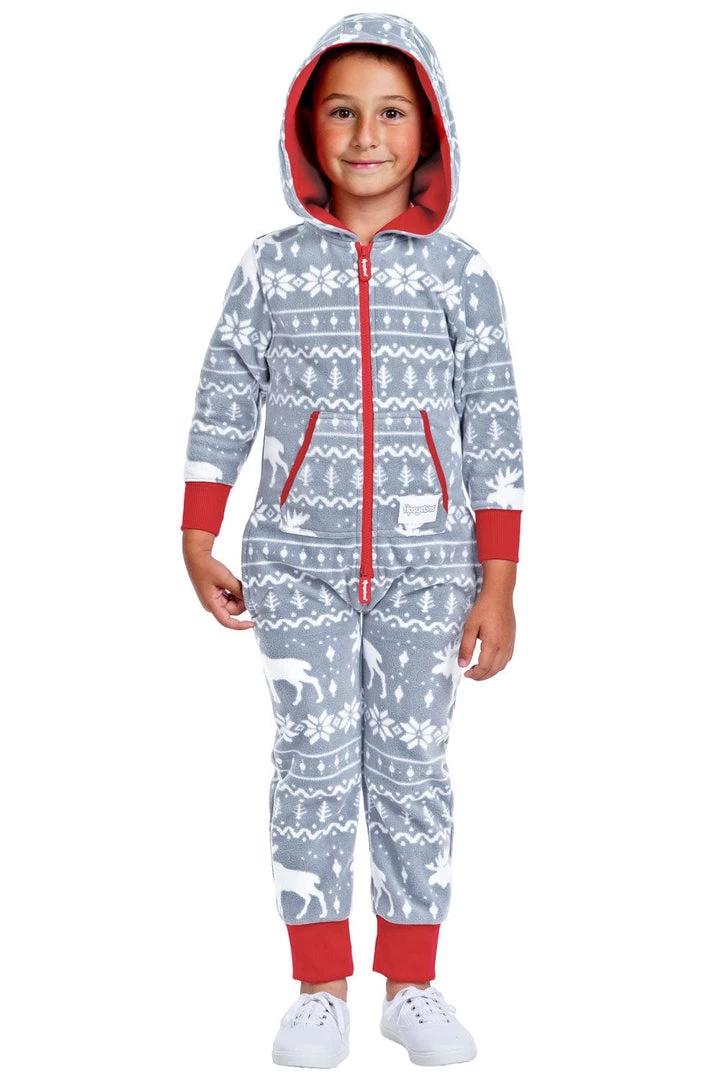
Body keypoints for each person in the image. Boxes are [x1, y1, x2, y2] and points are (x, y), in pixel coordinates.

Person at [180, 11, 524, 1069]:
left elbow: (494, 424)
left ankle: (410, 983)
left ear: (430, 131)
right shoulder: (270, 266)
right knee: (313, 766)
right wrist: (198, 532)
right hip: (295, 562)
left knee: (413, 768)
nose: (367, 135)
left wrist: (500, 581)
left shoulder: (459, 273)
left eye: (392, 112)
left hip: (433, 567)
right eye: (342, 111)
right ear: (306, 129)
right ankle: (319, 986)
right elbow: (224, 396)